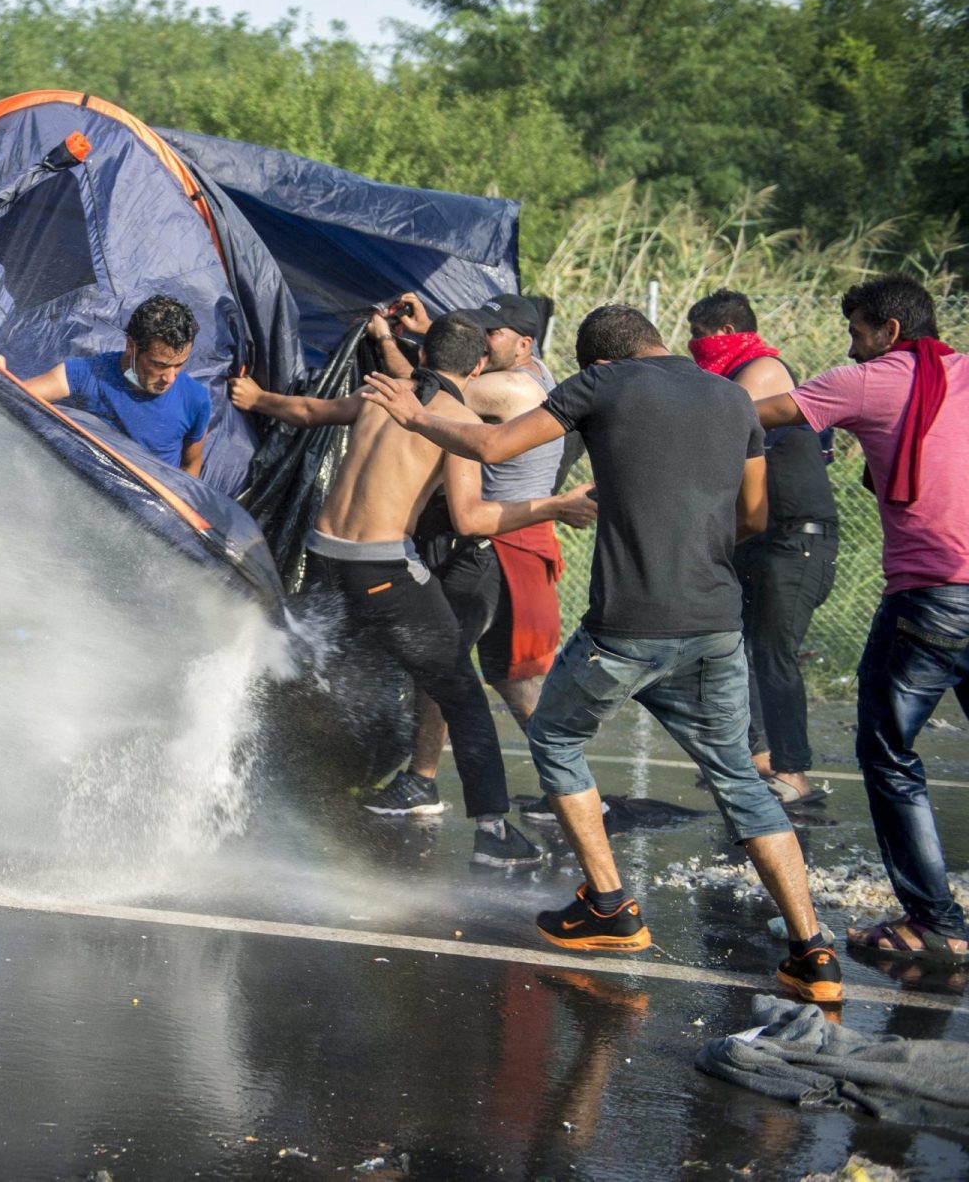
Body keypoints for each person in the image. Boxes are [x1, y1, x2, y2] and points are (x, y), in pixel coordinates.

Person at [361, 305, 841, 1005]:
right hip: (712, 622)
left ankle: (610, 905)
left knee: (556, 736)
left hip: (628, 625)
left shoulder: (603, 385)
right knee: (737, 775)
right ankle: (812, 952)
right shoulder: (732, 396)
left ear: (599, 364)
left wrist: (415, 414)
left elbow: (492, 448)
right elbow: (754, 517)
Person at [233, 311, 595, 868]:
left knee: (322, 665)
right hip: (380, 570)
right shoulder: (454, 421)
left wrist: (256, 398)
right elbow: (471, 520)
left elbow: (306, 411)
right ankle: (494, 835)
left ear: (422, 356)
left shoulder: (384, 393)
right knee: (463, 694)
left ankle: (251, 777)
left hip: (323, 554)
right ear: (477, 367)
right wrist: (555, 505)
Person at [748, 274, 969, 966]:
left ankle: (936, 923)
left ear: (889, 332)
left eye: (857, 334)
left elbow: (759, 412)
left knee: (889, 755)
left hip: (930, 595)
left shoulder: (874, 379)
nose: (853, 348)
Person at [359, 293, 572, 816]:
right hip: (508, 543)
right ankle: (566, 785)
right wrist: (432, 329)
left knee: (454, 664)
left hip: (498, 544)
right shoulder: (537, 372)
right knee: (504, 675)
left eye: (492, 333)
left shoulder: (508, 386)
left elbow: (428, 394)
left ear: (523, 345)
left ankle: (424, 782)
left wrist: (387, 340)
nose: (484, 340)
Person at [687, 289, 840, 805]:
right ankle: (756, 759)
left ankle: (794, 774)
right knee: (734, 649)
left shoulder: (766, 368)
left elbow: (719, 425)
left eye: (700, 338)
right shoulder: (729, 377)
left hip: (796, 538)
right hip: (756, 536)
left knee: (773, 654)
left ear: (726, 333)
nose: (695, 349)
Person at [0, 294, 209, 475]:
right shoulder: (89, 373)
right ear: (131, 346)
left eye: (179, 365)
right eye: (159, 365)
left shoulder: (196, 400)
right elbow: (18, 395)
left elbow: (191, 466)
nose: (170, 377)